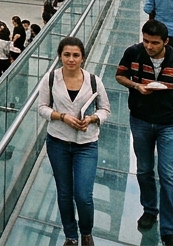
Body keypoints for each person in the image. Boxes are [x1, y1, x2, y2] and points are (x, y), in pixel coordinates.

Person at [116, 20, 173, 246]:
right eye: (146, 41)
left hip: (169, 122)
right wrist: (136, 86)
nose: (149, 46)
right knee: (144, 169)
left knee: (168, 175)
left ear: (165, 42)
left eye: (154, 43)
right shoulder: (133, 53)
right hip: (140, 119)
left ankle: (169, 230)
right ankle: (150, 209)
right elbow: (119, 75)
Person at [39, 36, 111, 246]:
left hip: (86, 144)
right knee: (64, 192)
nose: (71, 59)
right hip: (58, 142)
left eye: (76, 55)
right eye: (67, 55)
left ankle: (86, 232)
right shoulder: (51, 78)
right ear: (60, 56)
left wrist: (92, 118)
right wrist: (62, 116)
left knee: (83, 194)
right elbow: (42, 107)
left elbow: (105, 109)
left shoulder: (93, 80)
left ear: (83, 58)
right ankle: (71, 235)